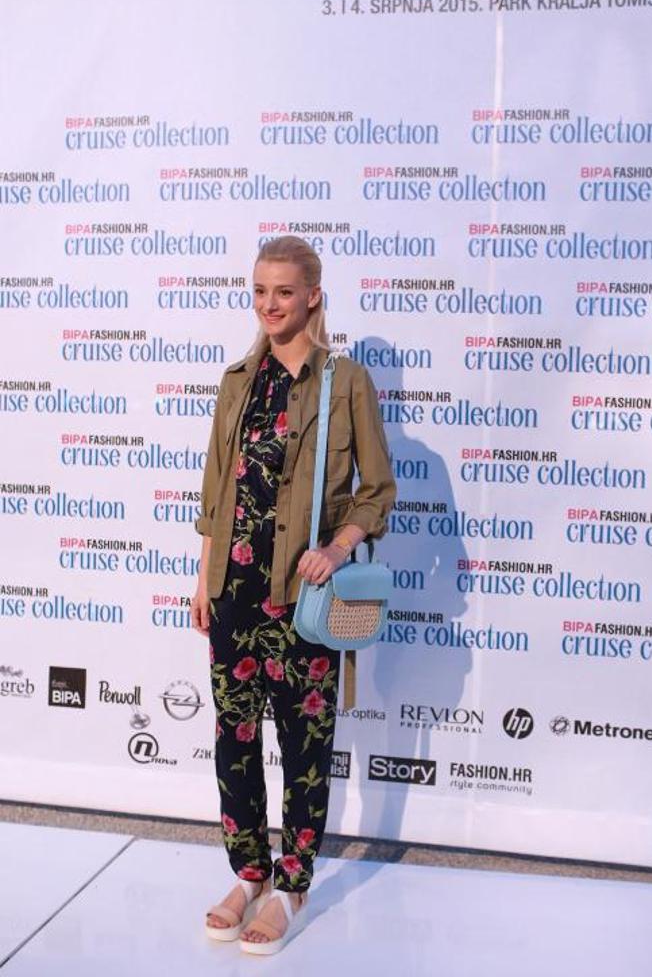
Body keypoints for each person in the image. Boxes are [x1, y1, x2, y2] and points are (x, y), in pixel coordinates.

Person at [190, 234, 396, 954]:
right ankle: (249, 874)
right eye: (259, 291)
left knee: (305, 745)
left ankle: (293, 885)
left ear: (313, 295)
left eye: (283, 291)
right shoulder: (236, 382)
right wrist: (204, 579)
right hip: (234, 591)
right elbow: (217, 493)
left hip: (302, 596)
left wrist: (336, 549)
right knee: (235, 738)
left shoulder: (346, 382)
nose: (269, 305)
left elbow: (376, 490)